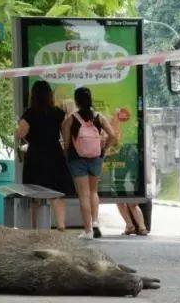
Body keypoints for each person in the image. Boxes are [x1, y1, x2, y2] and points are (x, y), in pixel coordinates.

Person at [15, 80, 74, 232]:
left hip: (35, 155)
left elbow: (20, 133)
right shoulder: (58, 113)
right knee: (57, 192)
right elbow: (65, 135)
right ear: (49, 95)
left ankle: (35, 228)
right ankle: (60, 225)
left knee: (34, 193)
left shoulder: (29, 113)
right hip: (55, 154)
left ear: (33, 95)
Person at [62, 87, 116, 240]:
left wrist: (67, 154)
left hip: (77, 159)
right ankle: (95, 221)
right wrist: (103, 150)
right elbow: (112, 135)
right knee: (93, 192)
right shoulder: (99, 117)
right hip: (95, 158)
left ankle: (88, 231)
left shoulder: (71, 119)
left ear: (76, 101)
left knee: (83, 195)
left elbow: (66, 144)